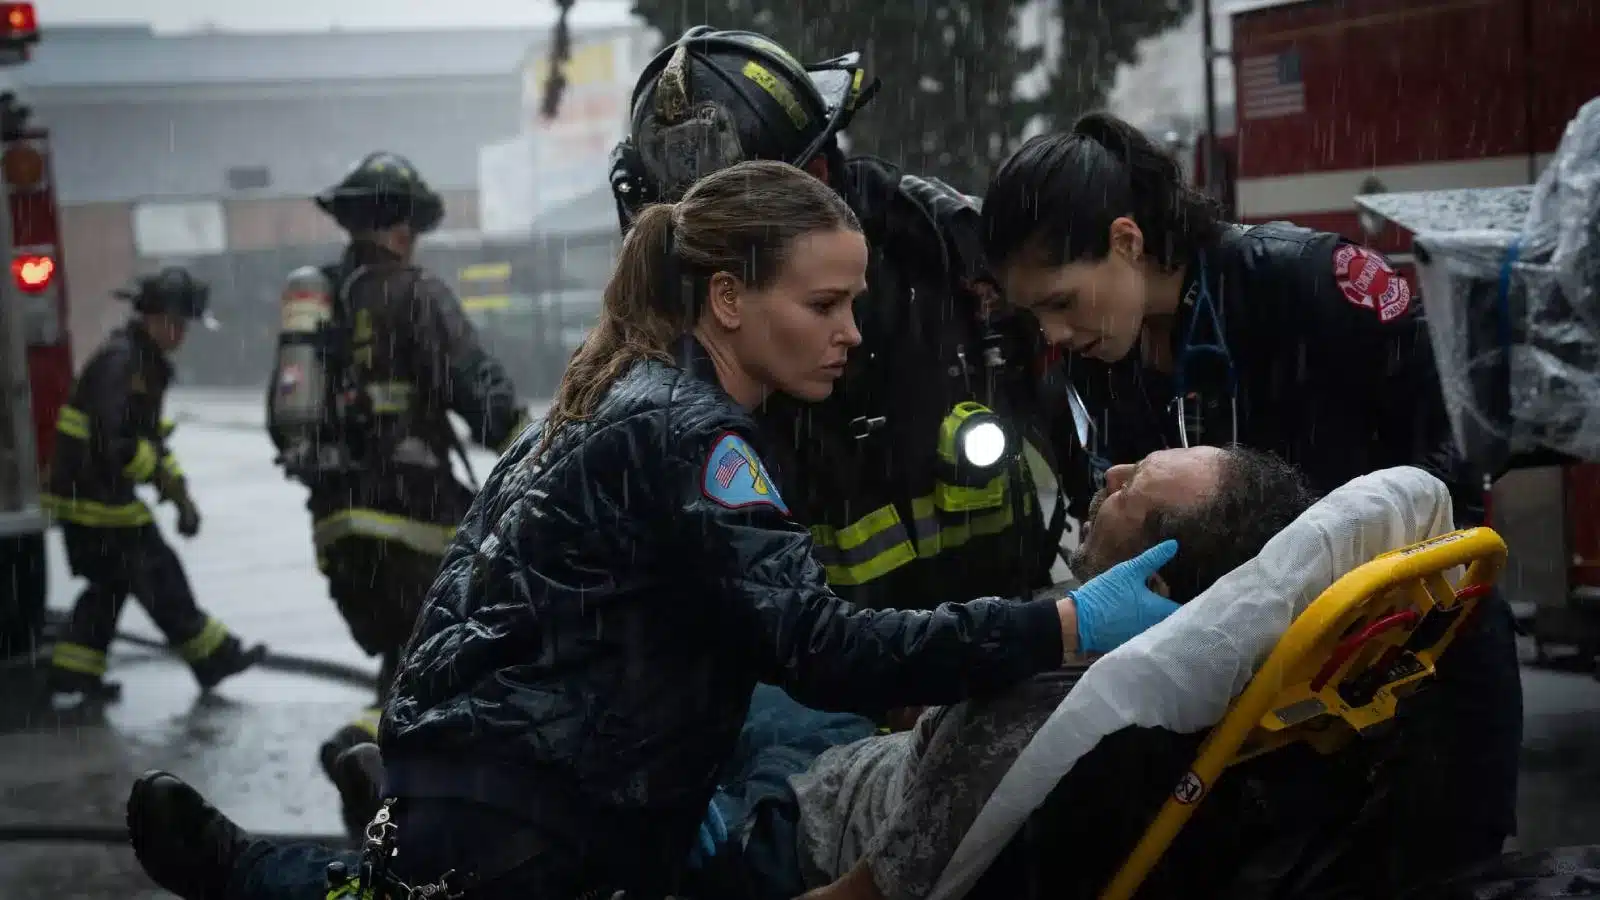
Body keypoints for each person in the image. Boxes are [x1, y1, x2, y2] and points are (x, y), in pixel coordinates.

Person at [125, 159, 1184, 900]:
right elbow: (822, 646)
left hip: (495, 781)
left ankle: (335, 859)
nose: (852, 335)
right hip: (537, 820)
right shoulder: (696, 437)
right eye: (824, 306)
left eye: (855, 304)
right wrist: (1058, 624)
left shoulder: (622, 395)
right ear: (727, 298)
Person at [977, 110, 1525, 889]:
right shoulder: (1098, 366)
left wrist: (1343, 558)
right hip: (1259, 711)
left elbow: (1458, 443)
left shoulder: (1309, 281)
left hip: (1417, 666)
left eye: (1062, 303)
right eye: (1035, 315)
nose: (1054, 334)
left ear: (1127, 241)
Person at [609, 28, 1068, 627]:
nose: (846, 332)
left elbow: (1081, 381)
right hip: (845, 666)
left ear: (820, 175)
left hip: (999, 624)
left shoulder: (947, 249)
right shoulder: (666, 404)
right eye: (698, 250)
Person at [264, 151, 532, 816]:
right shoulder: (415, 292)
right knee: (478, 631)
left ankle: (390, 799)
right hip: (411, 519)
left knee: (406, 653)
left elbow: (285, 418)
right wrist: (533, 451)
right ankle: (365, 746)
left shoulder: (324, 302)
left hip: (338, 527)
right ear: (405, 227)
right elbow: (477, 384)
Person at [41, 267, 266, 700]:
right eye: (177, 324)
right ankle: (213, 657)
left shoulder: (142, 362)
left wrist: (179, 493)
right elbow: (116, 442)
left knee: (109, 587)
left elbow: (151, 440)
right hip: (97, 501)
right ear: (155, 319)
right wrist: (163, 480)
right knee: (159, 575)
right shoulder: (126, 363)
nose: (181, 335)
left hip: (94, 496)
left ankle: (73, 674)